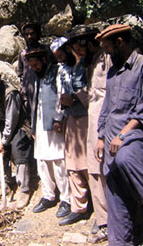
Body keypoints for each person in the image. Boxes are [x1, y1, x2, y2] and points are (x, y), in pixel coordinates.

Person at [95, 24, 143, 246]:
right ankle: (120, 242)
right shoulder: (112, 72)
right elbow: (107, 108)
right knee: (115, 191)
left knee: (126, 158)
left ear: (120, 43)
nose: (107, 54)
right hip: (111, 137)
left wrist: (123, 134)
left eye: (108, 48)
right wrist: (101, 136)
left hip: (138, 134)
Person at [67, 25, 112, 243]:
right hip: (93, 124)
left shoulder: (107, 60)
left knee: (106, 172)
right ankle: (104, 221)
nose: (79, 52)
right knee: (95, 172)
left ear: (90, 43)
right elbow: (93, 95)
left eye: (80, 47)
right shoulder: (90, 64)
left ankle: (114, 221)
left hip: (108, 125)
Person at [25, 48, 71, 217]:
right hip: (39, 123)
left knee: (59, 161)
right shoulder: (39, 76)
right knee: (42, 161)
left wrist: (58, 118)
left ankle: (66, 198)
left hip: (54, 123)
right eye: (32, 66)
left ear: (44, 60)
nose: (35, 68)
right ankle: (48, 195)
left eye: (36, 64)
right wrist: (33, 128)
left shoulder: (58, 72)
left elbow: (61, 95)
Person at [0, 70, 33, 209]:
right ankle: (6, 184)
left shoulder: (10, 93)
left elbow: (12, 119)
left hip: (19, 124)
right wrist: (2, 141)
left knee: (19, 154)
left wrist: (4, 141)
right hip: (2, 123)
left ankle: (24, 190)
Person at [57, 34, 91, 226]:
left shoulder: (89, 67)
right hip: (71, 117)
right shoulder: (69, 69)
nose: (74, 52)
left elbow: (97, 91)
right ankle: (79, 207)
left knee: (88, 164)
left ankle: (96, 206)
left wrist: (76, 98)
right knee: (72, 164)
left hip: (87, 118)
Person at [17, 22, 54, 114]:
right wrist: (24, 93)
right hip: (29, 93)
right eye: (27, 34)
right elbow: (21, 74)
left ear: (37, 34)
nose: (29, 37)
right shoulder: (22, 54)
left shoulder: (46, 51)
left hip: (46, 90)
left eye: (32, 33)